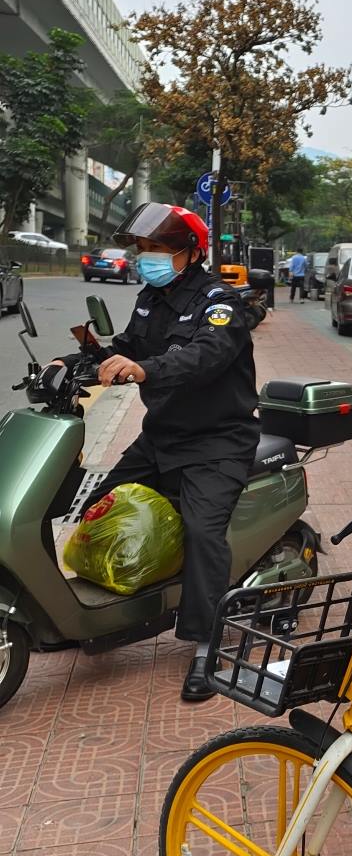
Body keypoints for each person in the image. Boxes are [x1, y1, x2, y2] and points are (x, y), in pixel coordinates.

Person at [74, 203, 260, 703]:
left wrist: (145, 371)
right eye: (142, 249)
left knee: (203, 531)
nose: (146, 258)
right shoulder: (150, 298)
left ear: (190, 253)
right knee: (93, 502)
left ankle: (206, 645)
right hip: (163, 435)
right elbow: (129, 345)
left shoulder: (220, 302)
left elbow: (206, 356)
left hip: (218, 441)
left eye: (157, 249)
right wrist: (78, 359)